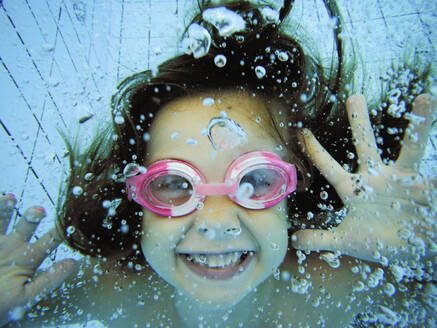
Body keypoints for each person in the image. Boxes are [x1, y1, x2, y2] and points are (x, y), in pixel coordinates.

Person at [1, 1, 435, 327]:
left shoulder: (329, 285)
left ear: (294, 194)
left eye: (257, 180)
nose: (216, 222)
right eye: (173, 184)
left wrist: (418, 257)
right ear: (135, 202)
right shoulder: (113, 290)